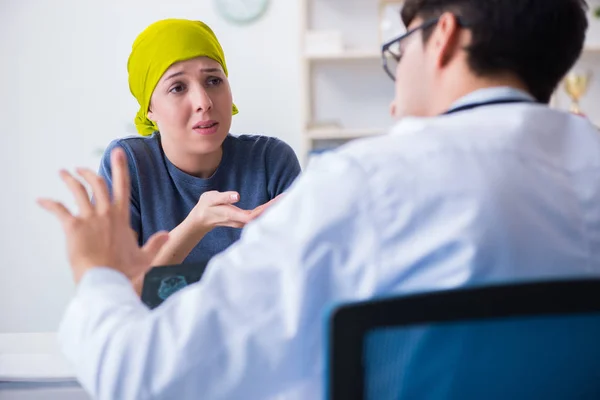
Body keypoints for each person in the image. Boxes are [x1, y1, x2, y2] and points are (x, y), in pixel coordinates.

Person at [39, 0, 600, 398]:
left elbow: (142, 375)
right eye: (177, 87)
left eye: (400, 47)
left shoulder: (361, 187)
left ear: (443, 37)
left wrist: (95, 275)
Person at [98, 19, 301, 294]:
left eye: (213, 80)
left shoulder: (271, 161)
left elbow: (303, 283)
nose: (204, 102)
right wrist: (196, 224)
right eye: (178, 87)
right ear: (149, 109)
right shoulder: (127, 165)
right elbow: (116, 295)